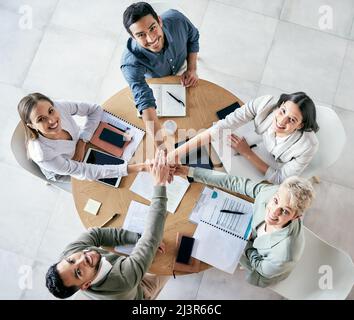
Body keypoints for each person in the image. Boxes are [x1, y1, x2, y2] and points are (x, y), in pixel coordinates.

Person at [45, 150, 171, 299]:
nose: (81, 259)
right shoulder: (122, 281)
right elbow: (150, 240)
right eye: (79, 272)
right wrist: (159, 184)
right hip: (141, 292)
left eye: (71, 260)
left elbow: (96, 234)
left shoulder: (69, 256)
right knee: (171, 263)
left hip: (123, 267)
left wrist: (137, 237)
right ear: (85, 285)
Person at [175, 165, 314, 287]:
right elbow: (235, 182)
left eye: (285, 211)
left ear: (296, 217)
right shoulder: (275, 192)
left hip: (260, 268)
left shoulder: (284, 255)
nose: (274, 211)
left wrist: (244, 245)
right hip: (250, 234)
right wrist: (191, 171)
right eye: (276, 201)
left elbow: (262, 268)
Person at [170, 92, 320, 184]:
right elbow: (219, 129)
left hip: (270, 162)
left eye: (292, 120)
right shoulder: (265, 104)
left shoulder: (307, 146)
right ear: (279, 105)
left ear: (300, 126)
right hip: (258, 146)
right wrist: (176, 153)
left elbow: (280, 179)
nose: (281, 121)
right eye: (282, 111)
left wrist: (247, 153)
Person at [17, 93, 148, 182]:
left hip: (82, 147)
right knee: (113, 183)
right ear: (32, 126)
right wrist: (138, 168)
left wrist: (82, 141)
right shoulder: (43, 154)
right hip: (65, 169)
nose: (52, 120)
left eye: (51, 111)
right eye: (41, 119)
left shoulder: (59, 106)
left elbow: (95, 109)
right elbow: (83, 171)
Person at [121, 2, 199, 146]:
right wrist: (161, 148)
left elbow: (193, 37)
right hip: (158, 79)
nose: (151, 39)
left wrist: (192, 69)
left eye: (152, 28)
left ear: (159, 20)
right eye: (141, 35)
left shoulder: (177, 20)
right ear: (133, 38)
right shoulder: (130, 63)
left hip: (182, 64)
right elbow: (144, 101)